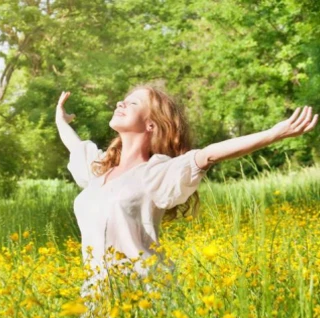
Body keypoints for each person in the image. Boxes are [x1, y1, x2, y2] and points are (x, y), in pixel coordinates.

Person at [56, 84, 318, 303]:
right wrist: (60, 119)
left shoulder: (156, 173)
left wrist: (272, 134)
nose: (120, 104)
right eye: (122, 101)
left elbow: (209, 154)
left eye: (132, 103)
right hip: (97, 298)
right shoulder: (99, 171)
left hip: (143, 296)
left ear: (151, 125)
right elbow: (75, 146)